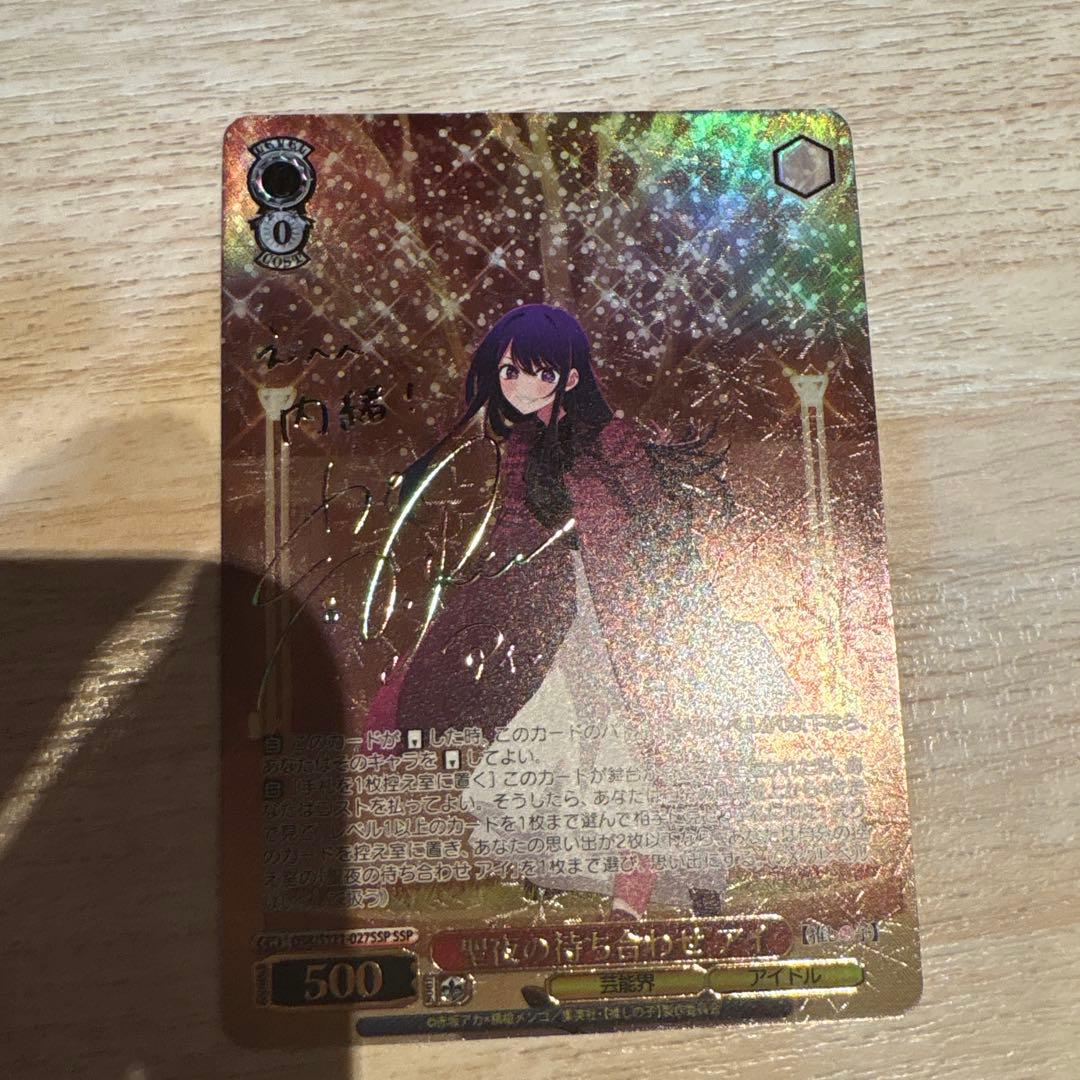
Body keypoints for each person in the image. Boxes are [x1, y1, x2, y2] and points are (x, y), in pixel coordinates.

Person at [365, 303, 794, 917]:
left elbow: (657, 521)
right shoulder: (523, 445)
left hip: (629, 613)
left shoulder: (610, 437)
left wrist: (679, 606)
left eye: (537, 372)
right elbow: (512, 535)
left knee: (632, 738)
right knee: (576, 739)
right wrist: (472, 602)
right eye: (509, 372)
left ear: (569, 377)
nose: (520, 386)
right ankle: (622, 882)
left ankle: (636, 893)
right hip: (566, 615)